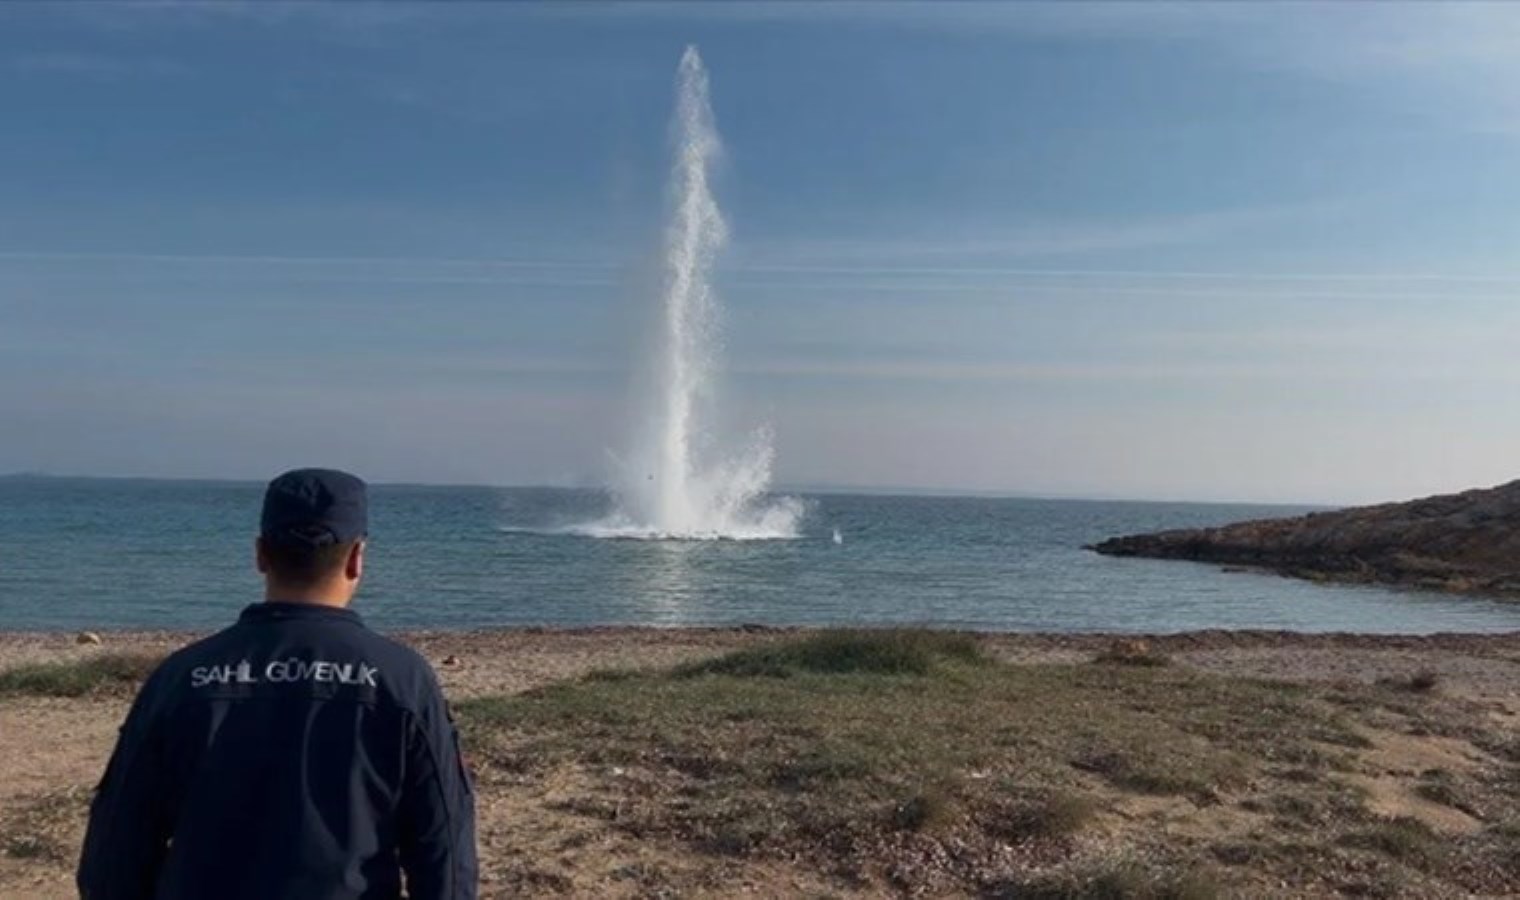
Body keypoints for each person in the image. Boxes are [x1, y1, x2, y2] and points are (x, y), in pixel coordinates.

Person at [77, 468, 477, 900]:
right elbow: (444, 849)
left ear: (261, 554)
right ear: (357, 557)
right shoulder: (401, 678)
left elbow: (115, 850)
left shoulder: (182, 677)